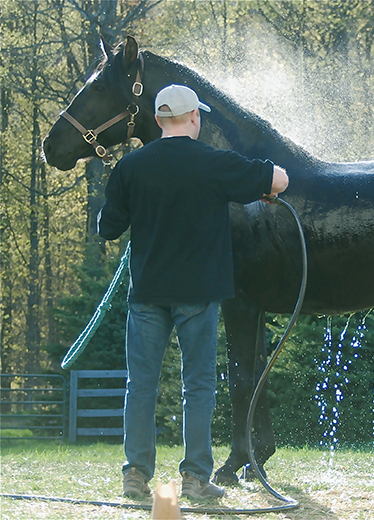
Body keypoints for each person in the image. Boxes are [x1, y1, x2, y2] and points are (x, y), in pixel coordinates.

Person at [97, 84, 289, 500]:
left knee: (141, 385)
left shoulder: (131, 168)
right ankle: (196, 479)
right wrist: (264, 188)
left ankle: (135, 475)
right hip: (199, 295)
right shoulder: (214, 163)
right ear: (194, 118)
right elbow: (279, 179)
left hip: (147, 293)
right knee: (197, 385)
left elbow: (107, 228)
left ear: (160, 119)